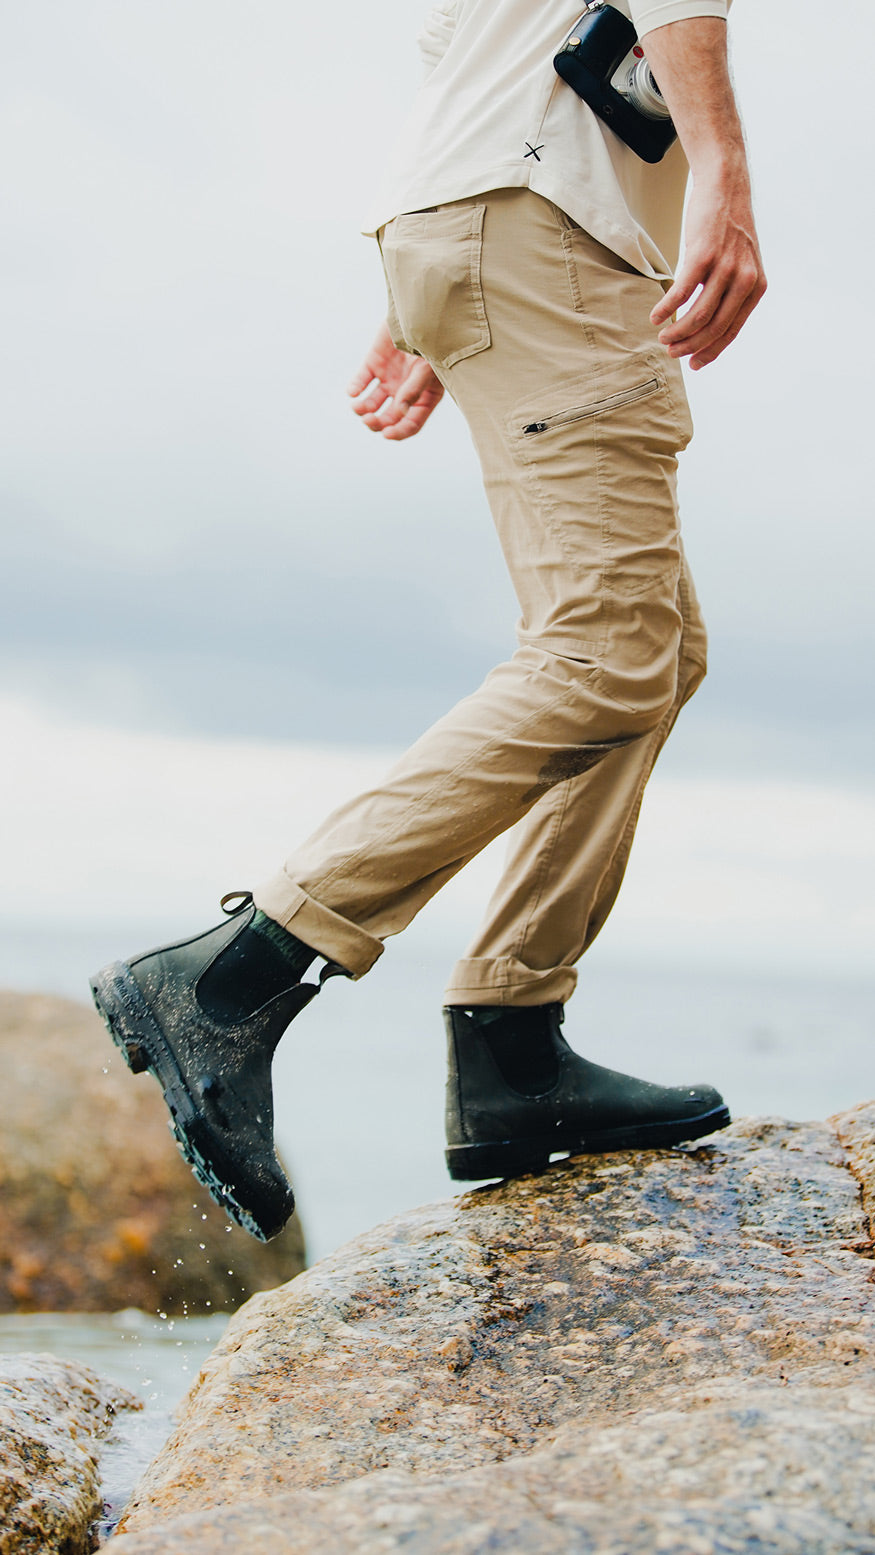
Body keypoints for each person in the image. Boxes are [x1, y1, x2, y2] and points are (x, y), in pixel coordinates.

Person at [91, 0, 766, 1241]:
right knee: (607, 649)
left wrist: (427, 284)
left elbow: (459, 49)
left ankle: (512, 1039)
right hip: (539, 222)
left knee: (651, 648)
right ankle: (226, 980)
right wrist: (722, 166)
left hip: (476, 218)